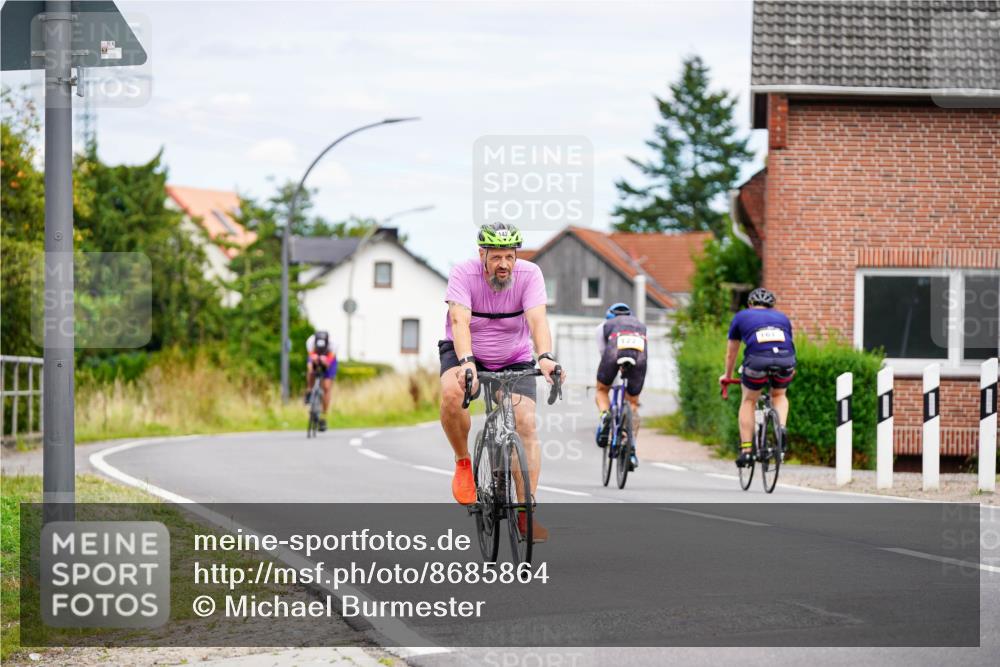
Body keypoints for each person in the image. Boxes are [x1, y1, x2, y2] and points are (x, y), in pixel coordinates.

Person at [439, 221, 564, 543]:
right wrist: (467, 362)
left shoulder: (530, 274)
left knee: (525, 424)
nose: (504, 264)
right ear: (482, 254)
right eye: (496, 257)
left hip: (514, 357)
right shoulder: (463, 274)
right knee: (452, 394)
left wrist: (546, 356)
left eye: (509, 256)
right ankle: (463, 462)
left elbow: (537, 320)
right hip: (467, 354)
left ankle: (525, 513)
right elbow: (459, 320)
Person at [718, 287, 796, 467]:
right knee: (779, 395)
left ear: (750, 304)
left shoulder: (741, 316)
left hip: (757, 361)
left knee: (749, 400)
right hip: (786, 359)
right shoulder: (782, 317)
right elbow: (790, 343)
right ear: (772, 306)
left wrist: (727, 376)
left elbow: (731, 353)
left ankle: (746, 451)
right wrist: (791, 367)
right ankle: (781, 428)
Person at [594, 302, 647, 470]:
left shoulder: (604, 326)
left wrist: (610, 379)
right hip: (639, 358)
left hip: (613, 353)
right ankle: (630, 448)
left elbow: (604, 353)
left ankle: (605, 415)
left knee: (602, 390)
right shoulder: (641, 325)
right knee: (632, 402)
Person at [305, 330, 338, 431]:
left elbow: (330, 361)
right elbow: (310, 358)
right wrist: (312, 364)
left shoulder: (334, 344)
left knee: (327, 387)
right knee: (311, 371)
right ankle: (309, 390)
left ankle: (323, 417)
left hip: (329, 359)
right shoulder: (310, 342)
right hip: (315, 356)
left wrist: (325, 363)